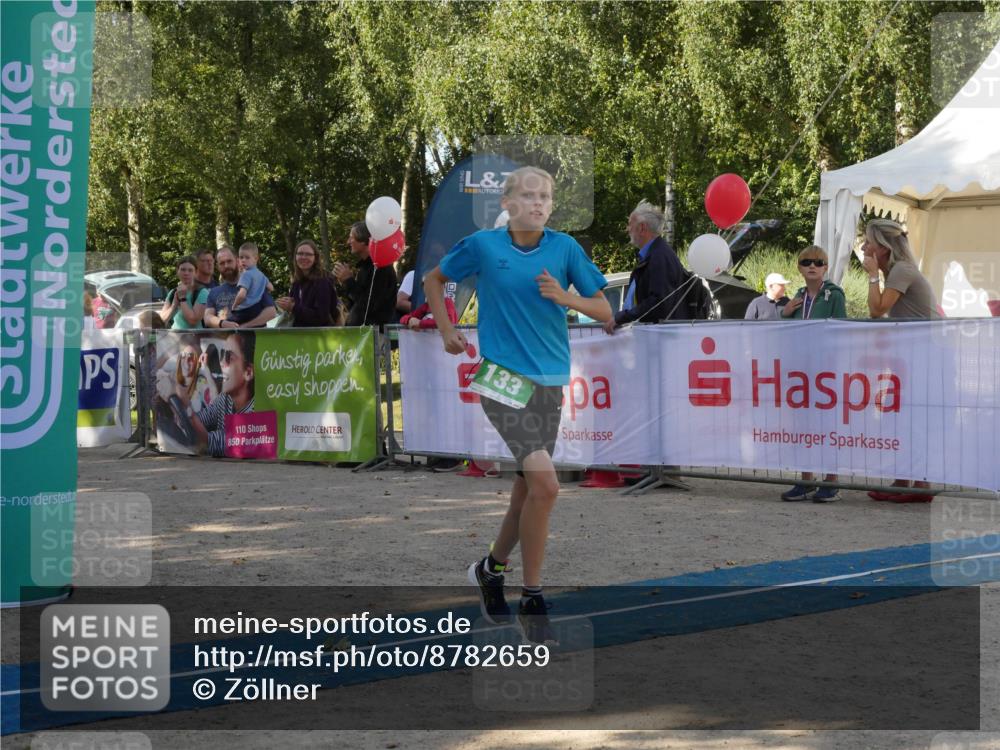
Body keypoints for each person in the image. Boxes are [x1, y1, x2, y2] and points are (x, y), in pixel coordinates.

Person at [423, 166, 611, 644]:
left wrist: (565, 296)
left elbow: (607, 312)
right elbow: (433, 278)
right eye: (528, 195)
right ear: (506, 202)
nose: (539, 203)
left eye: (546, 196)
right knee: (546, 485)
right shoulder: (484, 246)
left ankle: (491, 569)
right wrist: (447, 330)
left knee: (528, 492)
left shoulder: (565, 248)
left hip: (550, 382)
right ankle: (533, 598)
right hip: (502, 379)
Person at [862, 218, 939, 503]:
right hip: (912, 356)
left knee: (912, 418)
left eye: (869, 241)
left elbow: (876, 309)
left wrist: (872, 276)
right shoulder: (898, 270)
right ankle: (908, 481)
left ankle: (916, 483)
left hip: (921, 355)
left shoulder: (902, 270)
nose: (864, 246)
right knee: (905, 417)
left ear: (883, 248)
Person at [780, 246, 847, 502]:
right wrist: (784, 315)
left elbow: (840, 329)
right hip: (800, 371)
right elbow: (789, 333)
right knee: (802, 427)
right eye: (806, 261)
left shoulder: (834, 296)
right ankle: (805, 480)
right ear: (799, 267)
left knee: (826, 426)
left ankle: (831, 481)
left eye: (818, 262)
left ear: (825, 267)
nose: (812, 266)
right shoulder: (797, 297)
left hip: (825, 371)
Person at [603, 200, 685, 335]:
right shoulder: (655, 254)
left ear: (642, 228)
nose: (627, 229)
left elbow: (658, 303)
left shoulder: (659, 256)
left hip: (659, 341)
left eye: (630, 224)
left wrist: (622, 317)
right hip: (653, 338)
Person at [171, 331, 256, 457]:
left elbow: (208, 443)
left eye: (229, 357)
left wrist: (186, 407)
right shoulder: (225, 399)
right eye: (222, 355)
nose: (222, 363)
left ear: (248, 373)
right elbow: (203, 418)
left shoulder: (255, 412)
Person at [334, 222, 398, 327]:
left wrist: (349, 281)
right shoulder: (364, 267)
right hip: (361, 333)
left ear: (364, 240)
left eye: (351, 238)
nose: (348, 242)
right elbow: (356, 303)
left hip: (373, 336)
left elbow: (369, 305)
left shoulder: (381, 267)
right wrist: (345, 282)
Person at [203, 246, 276, 329]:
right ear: (217, 266)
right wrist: (222, 323)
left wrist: (245, 327)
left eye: (229, 261)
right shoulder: (214, 292)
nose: (226, 266)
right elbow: (207, 318)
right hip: (225, 340)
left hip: (256, 339)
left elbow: (271, 312)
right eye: (222, 263)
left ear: (238, 261)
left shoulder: (256, 283)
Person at [276, 239, 339, 327]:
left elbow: (321, 317)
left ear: (315, 258)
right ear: (295, 257)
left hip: (318, 337)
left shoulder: (323, 281)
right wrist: (286, 304)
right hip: (300, 337)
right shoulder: (297, 282)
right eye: (300, 254)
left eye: (308, 254)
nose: (303, 257)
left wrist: (293, 307)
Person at [229, 242, 274, 326]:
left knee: (228, 322)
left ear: (256, 258)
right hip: (258, 310)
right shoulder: (261, 275)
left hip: (245, 310)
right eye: (241, 257)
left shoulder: (246, 275)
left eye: (247, 257)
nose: (243, 260)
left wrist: (234, 305)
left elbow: (242, 295)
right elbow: (271, 288)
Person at [159, 255, 209, 330]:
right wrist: (174, 305)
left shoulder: (202, 292)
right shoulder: (173, 292)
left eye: (190, 270)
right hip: (174, 338)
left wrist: (182, 299)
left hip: (195, 338)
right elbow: (161, 321)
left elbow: (193, 320)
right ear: (177, 271)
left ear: (196, 272)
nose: (186, 273)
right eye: (183, 269)